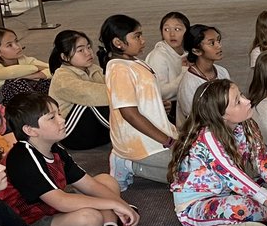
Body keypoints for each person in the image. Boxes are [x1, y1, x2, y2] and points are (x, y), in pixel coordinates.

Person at [1, 92, 138, 226]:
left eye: (59, 113)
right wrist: (115, 204)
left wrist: (120, 205)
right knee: (89, 219)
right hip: (29, 225)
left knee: (106, 181)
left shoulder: (54, 148)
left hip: (52, 209)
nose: (62, 119)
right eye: (52, 118)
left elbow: (88, 184)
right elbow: (62, 202)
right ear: (30, 130)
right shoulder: (23, 157)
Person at [168, 79, 267, 226]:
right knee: (241, 206)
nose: (247, 101)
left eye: (241, 95)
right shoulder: (207, 139)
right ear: (222, 115)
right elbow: (238, 179)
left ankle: (245, 221)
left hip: (230, 191)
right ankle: (264, 216)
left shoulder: (246, 124)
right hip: (196, 207)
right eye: (238, 102)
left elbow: (264, 163)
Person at [100, 14, 177, 190]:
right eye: (136, 36)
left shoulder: (133, 61)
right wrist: (167, 141)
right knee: (191, 174)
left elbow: (141, 96)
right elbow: (129, 113)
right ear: (118, 43)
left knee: (197, 165)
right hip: (141, 142)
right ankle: (128, 164)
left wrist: (158, 104)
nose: (142, 40)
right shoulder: (118, 69)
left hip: (158, 134)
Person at [47, 30, 110, 150]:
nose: (88, 53)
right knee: (89, 102)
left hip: (97, 132)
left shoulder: (93, 68)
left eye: (89, 47)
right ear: (64, 57)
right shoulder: (62, 77)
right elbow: (94, 95)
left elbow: (112, 84)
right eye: (81, 50)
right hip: (73, 136)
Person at [175, 24, 230, 126]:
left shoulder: (222, 72)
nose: (219, 46)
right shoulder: (189, 83)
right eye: (212, 43)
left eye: (218, 41)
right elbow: (195, 120)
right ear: (196, 51)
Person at [0, 28, 50, 97]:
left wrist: (36, 75)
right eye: (9, 45)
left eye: (16, 41)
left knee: (47, 82)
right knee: (18, 83)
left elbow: (53, 69)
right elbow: (12, 72)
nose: (17, 47)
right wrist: (37, 68)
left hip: (19, 100)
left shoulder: (23, 59)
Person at [144, 11, 188, 106]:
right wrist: (184, 72)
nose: (172, 34)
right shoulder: (158, 56)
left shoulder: (188, 54)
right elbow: (160, 92)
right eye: (166, 30)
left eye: (177, 29)